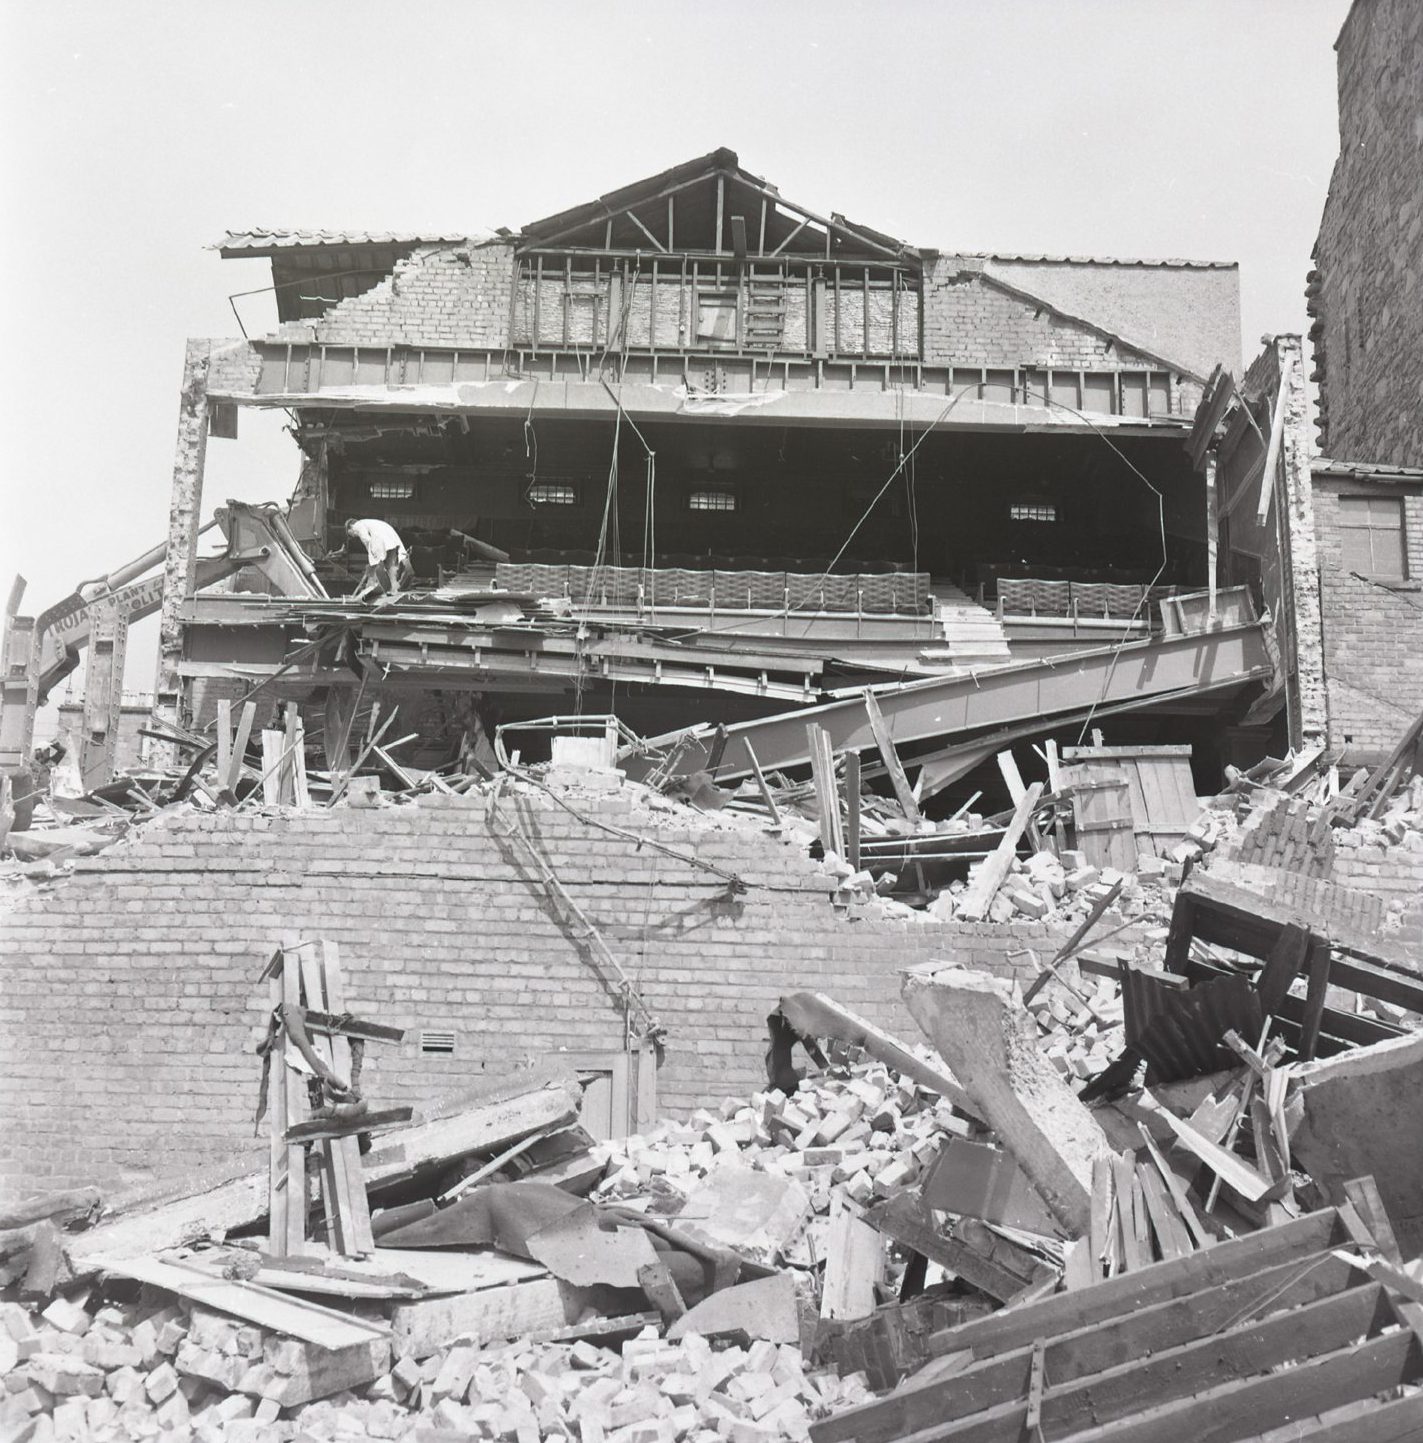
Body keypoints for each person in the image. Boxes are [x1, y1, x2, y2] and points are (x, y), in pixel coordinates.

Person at [345, 518, 411, 597]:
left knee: (375, 567)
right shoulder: (370, 523)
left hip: (382, 539)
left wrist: (371, 557)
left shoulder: (357, 525)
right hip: (391, 537)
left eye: (350, 534)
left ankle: (371, 587)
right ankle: (394, 590)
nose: (353, 536)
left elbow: (366, 540)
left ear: (350, 526)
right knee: (390, 567)